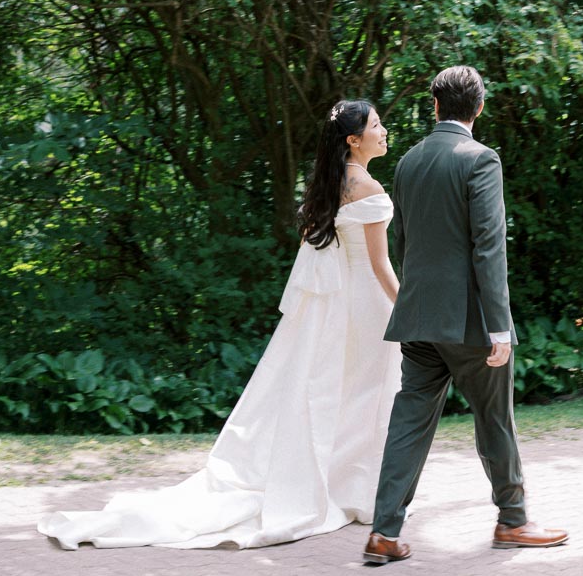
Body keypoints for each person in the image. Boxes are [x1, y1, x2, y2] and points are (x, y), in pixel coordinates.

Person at [38, 101, 402, 550]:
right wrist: (407, 310)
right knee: (364, 398)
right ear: (353, 139)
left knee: (339, 396)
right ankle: (352, 491)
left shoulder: (330, 182)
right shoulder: (365, 185)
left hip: (334, 307)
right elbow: (380, 264)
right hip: (366, 305)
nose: (384, 131)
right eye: (376, 125)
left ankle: (340, 487)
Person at [362, 65, 569, 564]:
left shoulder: (408, 161)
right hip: (471, 322)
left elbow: (404, 243)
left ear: (435, 106)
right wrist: (500, 326)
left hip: (418, 318)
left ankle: (384, 532)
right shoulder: (481, 159)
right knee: (495, 419)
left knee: (409, 421)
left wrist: (413, 302)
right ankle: (514, 521)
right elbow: (488, 248)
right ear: (478, 108)